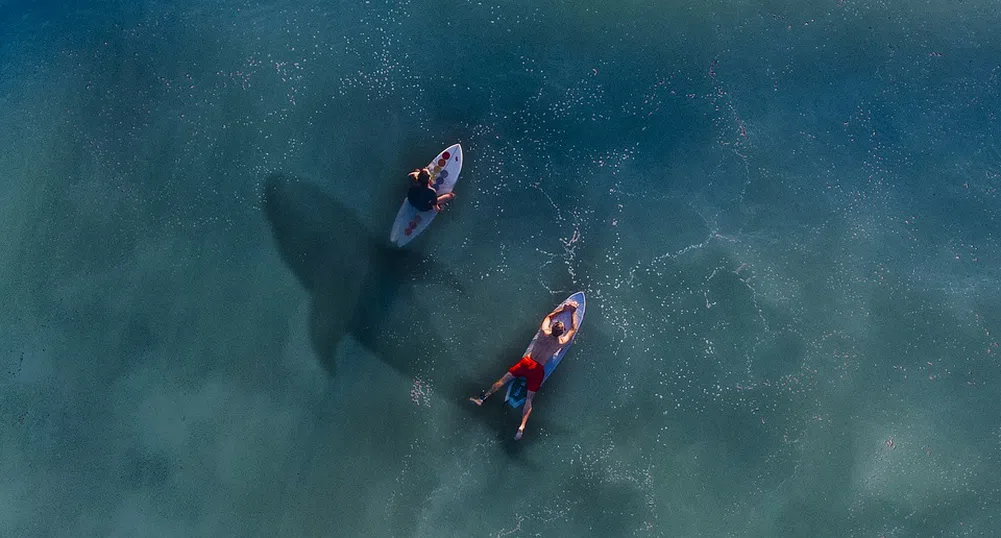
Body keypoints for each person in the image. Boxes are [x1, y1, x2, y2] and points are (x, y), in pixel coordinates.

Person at [469, 300, 579, 440]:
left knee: (503, 380)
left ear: (552, 328)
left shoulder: (544, 332)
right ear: (562, 332)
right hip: (538, 369)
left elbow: (549, 317)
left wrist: (563, 310)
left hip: (526, 363)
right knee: (529, 398)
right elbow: (573, 329)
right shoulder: (561, 342)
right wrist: (573, 312)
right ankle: (521, 427)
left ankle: (482, 399)